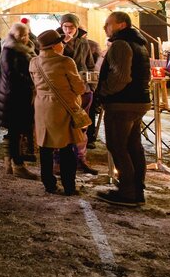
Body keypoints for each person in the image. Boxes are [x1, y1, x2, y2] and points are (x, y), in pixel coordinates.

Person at [95, 11, 152, 207]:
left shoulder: (121, 44)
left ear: (121, 24)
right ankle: (137, 188)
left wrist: (103, 91)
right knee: (133, 145)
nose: (105, 27)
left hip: (123, 102)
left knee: (118, 145)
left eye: (108, 23)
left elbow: (120, 77)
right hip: (139, 100)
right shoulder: (140, 44)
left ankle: (128, 192)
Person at [30, 29, 87, 196]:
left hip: (42, 107)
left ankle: (48, 183)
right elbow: (79, 87)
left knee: (45, 147)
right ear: (55, 45)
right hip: (62, 108)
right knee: (67, 147)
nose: (63, 44)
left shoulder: (33, 62)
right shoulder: (66, 62)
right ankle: (69, 185)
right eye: (61, 42)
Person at [0, 22, 37, 180]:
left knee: (15, 132)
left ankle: (9, 163)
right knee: (15, 131)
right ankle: (18, 165)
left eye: (26, 34)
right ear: (14, 35)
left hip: (16, 95)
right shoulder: (10, 50)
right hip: (13, 96)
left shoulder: (22, 49)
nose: (25, 38)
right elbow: (11, 74)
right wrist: (31, 80)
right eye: (22, 36)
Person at [57, 13, 98, 174]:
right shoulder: (56, 42)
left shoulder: (83, 43)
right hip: (64, 90)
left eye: (71, 27)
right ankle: (59, 160)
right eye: (65, 27)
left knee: (82, 125)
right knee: (62, 126)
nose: (68, 30)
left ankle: (81, 158)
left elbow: (90, 64)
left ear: (76, 27)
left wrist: (91, 85)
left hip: (83, 89)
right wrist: (62, 44)